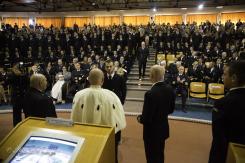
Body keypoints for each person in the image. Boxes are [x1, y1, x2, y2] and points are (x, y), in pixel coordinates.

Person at [71, 68, 126, 163]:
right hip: (106, 137)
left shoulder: (79, 95)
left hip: (84, 134)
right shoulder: (111, 96)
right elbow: (118, 121)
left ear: (88, 79)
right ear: (102, 80)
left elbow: (74, 117)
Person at [137, 65, 176, 163]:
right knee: (160, 155)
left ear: (152, 76)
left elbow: (146, 118)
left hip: (151, 133)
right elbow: (171, 110)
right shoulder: (169, 89)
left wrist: (139, 118)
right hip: (163, 129)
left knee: (151, 158)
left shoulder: (150, 94)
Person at [208, 61, 245, 163]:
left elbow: (218, 138)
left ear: (233, 78)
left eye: (224, 74)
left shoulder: (222, 104)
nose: (222, 76)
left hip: (225, 154)